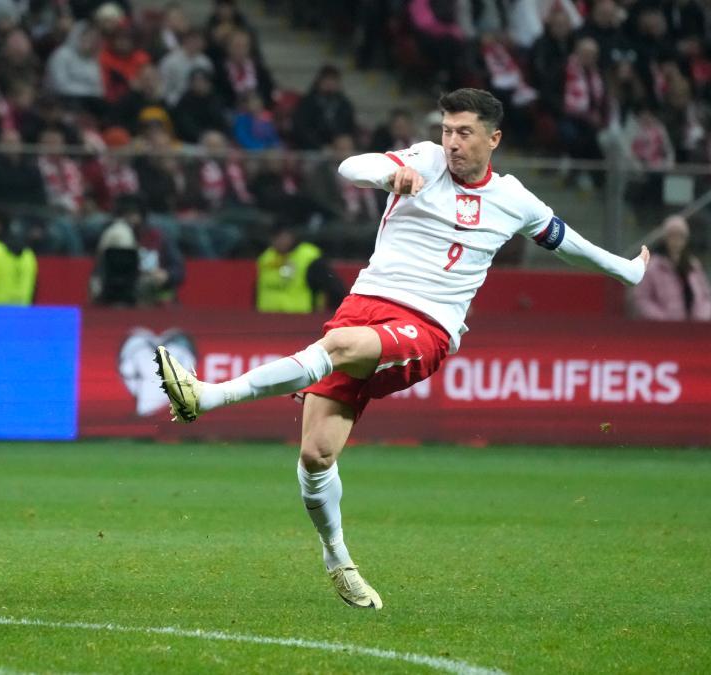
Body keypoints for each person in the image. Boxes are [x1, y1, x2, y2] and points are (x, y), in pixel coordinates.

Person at [155, 88, 649, 610]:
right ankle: (338, 559)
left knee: (338, 346)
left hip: (427, 326)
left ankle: (206, 398)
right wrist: (389, 175)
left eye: (464, 133)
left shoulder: (514, 201)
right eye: (447, 130)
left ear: (493, 138)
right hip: (365, 304)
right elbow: (351, 166)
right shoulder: (425, 160)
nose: (452, 143)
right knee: (316, 455)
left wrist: (626, 269)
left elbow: (568, 243)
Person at [630, 216, 711, 321]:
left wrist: (702, 316)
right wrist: (663, 319)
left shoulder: (693, 266)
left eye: (681, 236)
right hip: (664, 331)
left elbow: (706, 296)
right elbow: (641, 299)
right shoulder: (653, 266)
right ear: (665, 238)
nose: (677, 240)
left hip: (694, 329)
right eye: (673, 235)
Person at [255, 224, 346, 314]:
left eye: (282, 236)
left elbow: (335, 288)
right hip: (266, 320)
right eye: (275, 237)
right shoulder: (266, 258)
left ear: (292, 236)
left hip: (300, 321)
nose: (278, 241)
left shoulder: (308, 257)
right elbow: (258, 289)